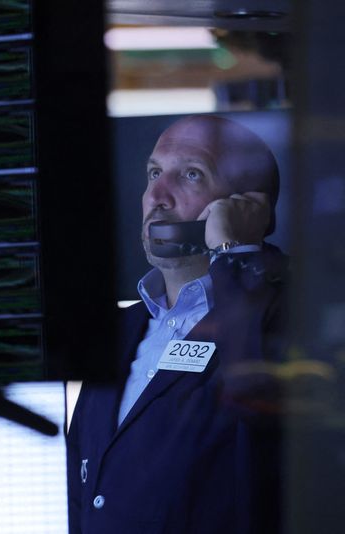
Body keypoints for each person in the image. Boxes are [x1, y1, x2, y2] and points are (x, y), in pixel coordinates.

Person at [66, 115, 289, 534]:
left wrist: (233, 252)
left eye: (190, 174)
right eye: (153, 172)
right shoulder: (118, 329)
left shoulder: (286, 317)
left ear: (247, 206)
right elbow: (83, 490)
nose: (157, 195)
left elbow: (260, 423)